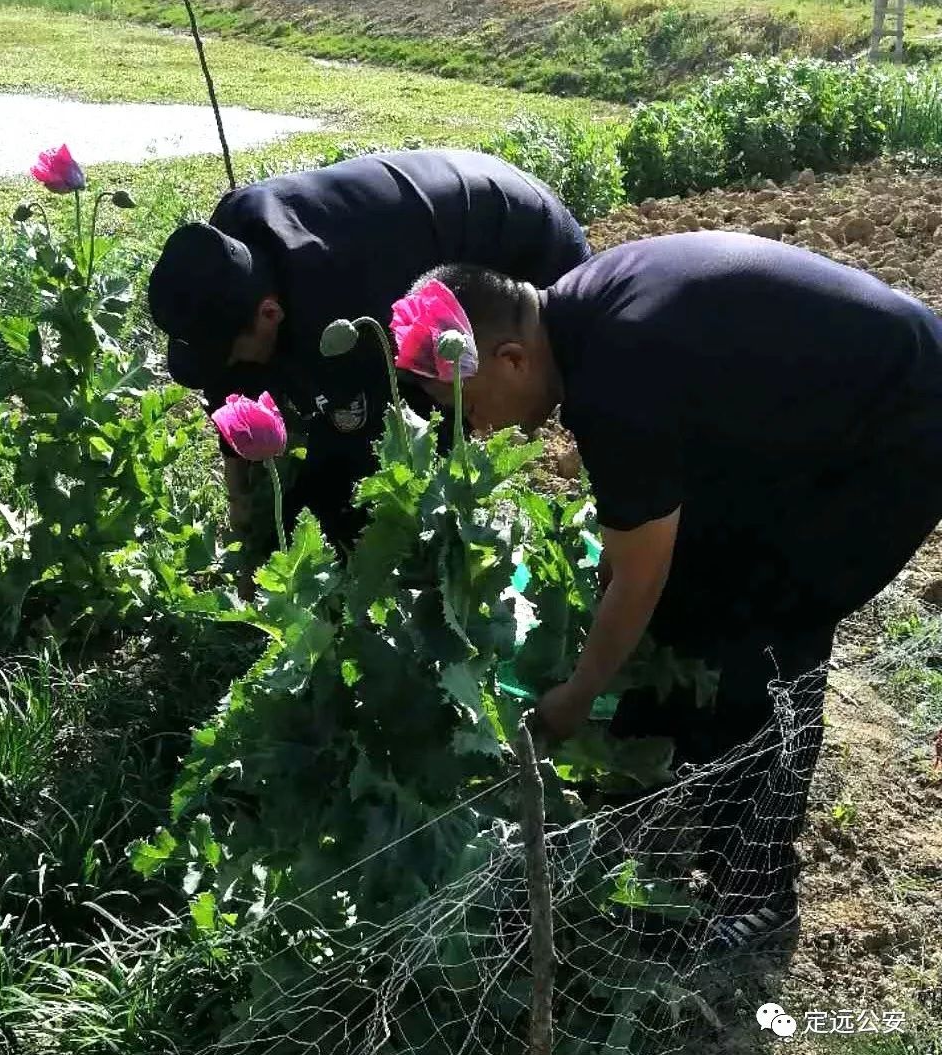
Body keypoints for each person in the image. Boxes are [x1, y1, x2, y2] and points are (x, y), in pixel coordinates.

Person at [395, 231, 942, 939]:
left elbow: (638, 573)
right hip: (817, 414)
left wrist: (577, 695)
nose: (472, 426)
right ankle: (655, 771)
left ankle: (757, 889)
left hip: (899, 429)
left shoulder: (616, 378)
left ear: (512, 358)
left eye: (466, 405)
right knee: (701, 575)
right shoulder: (585, 310)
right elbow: (646, 543)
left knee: (768, 625)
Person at [146, 148, 591, 574]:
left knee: (544, 392)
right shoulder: (224, 261)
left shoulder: (340, 299)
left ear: (270, 314)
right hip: (423, 224)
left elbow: (367, 434)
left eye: (234, 354)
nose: (234, 366)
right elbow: (230, 394)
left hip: (521, 235)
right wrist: (245, 534)